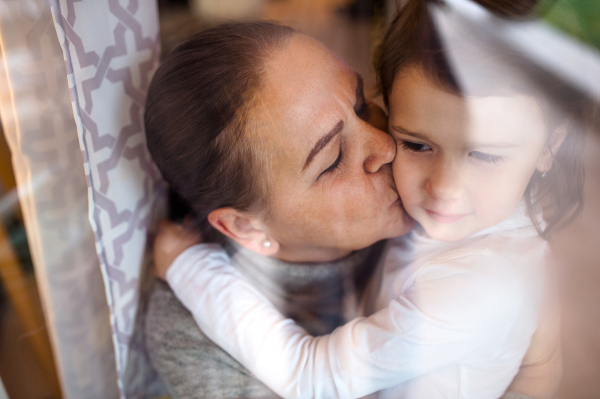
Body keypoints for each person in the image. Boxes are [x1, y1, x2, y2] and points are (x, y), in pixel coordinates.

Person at [151, 1, 589, 398]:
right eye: (332, 159)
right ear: (245, 226)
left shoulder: (471, 239)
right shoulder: (194, 343)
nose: (385, 147)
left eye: (362, 106)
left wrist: (538, 356)